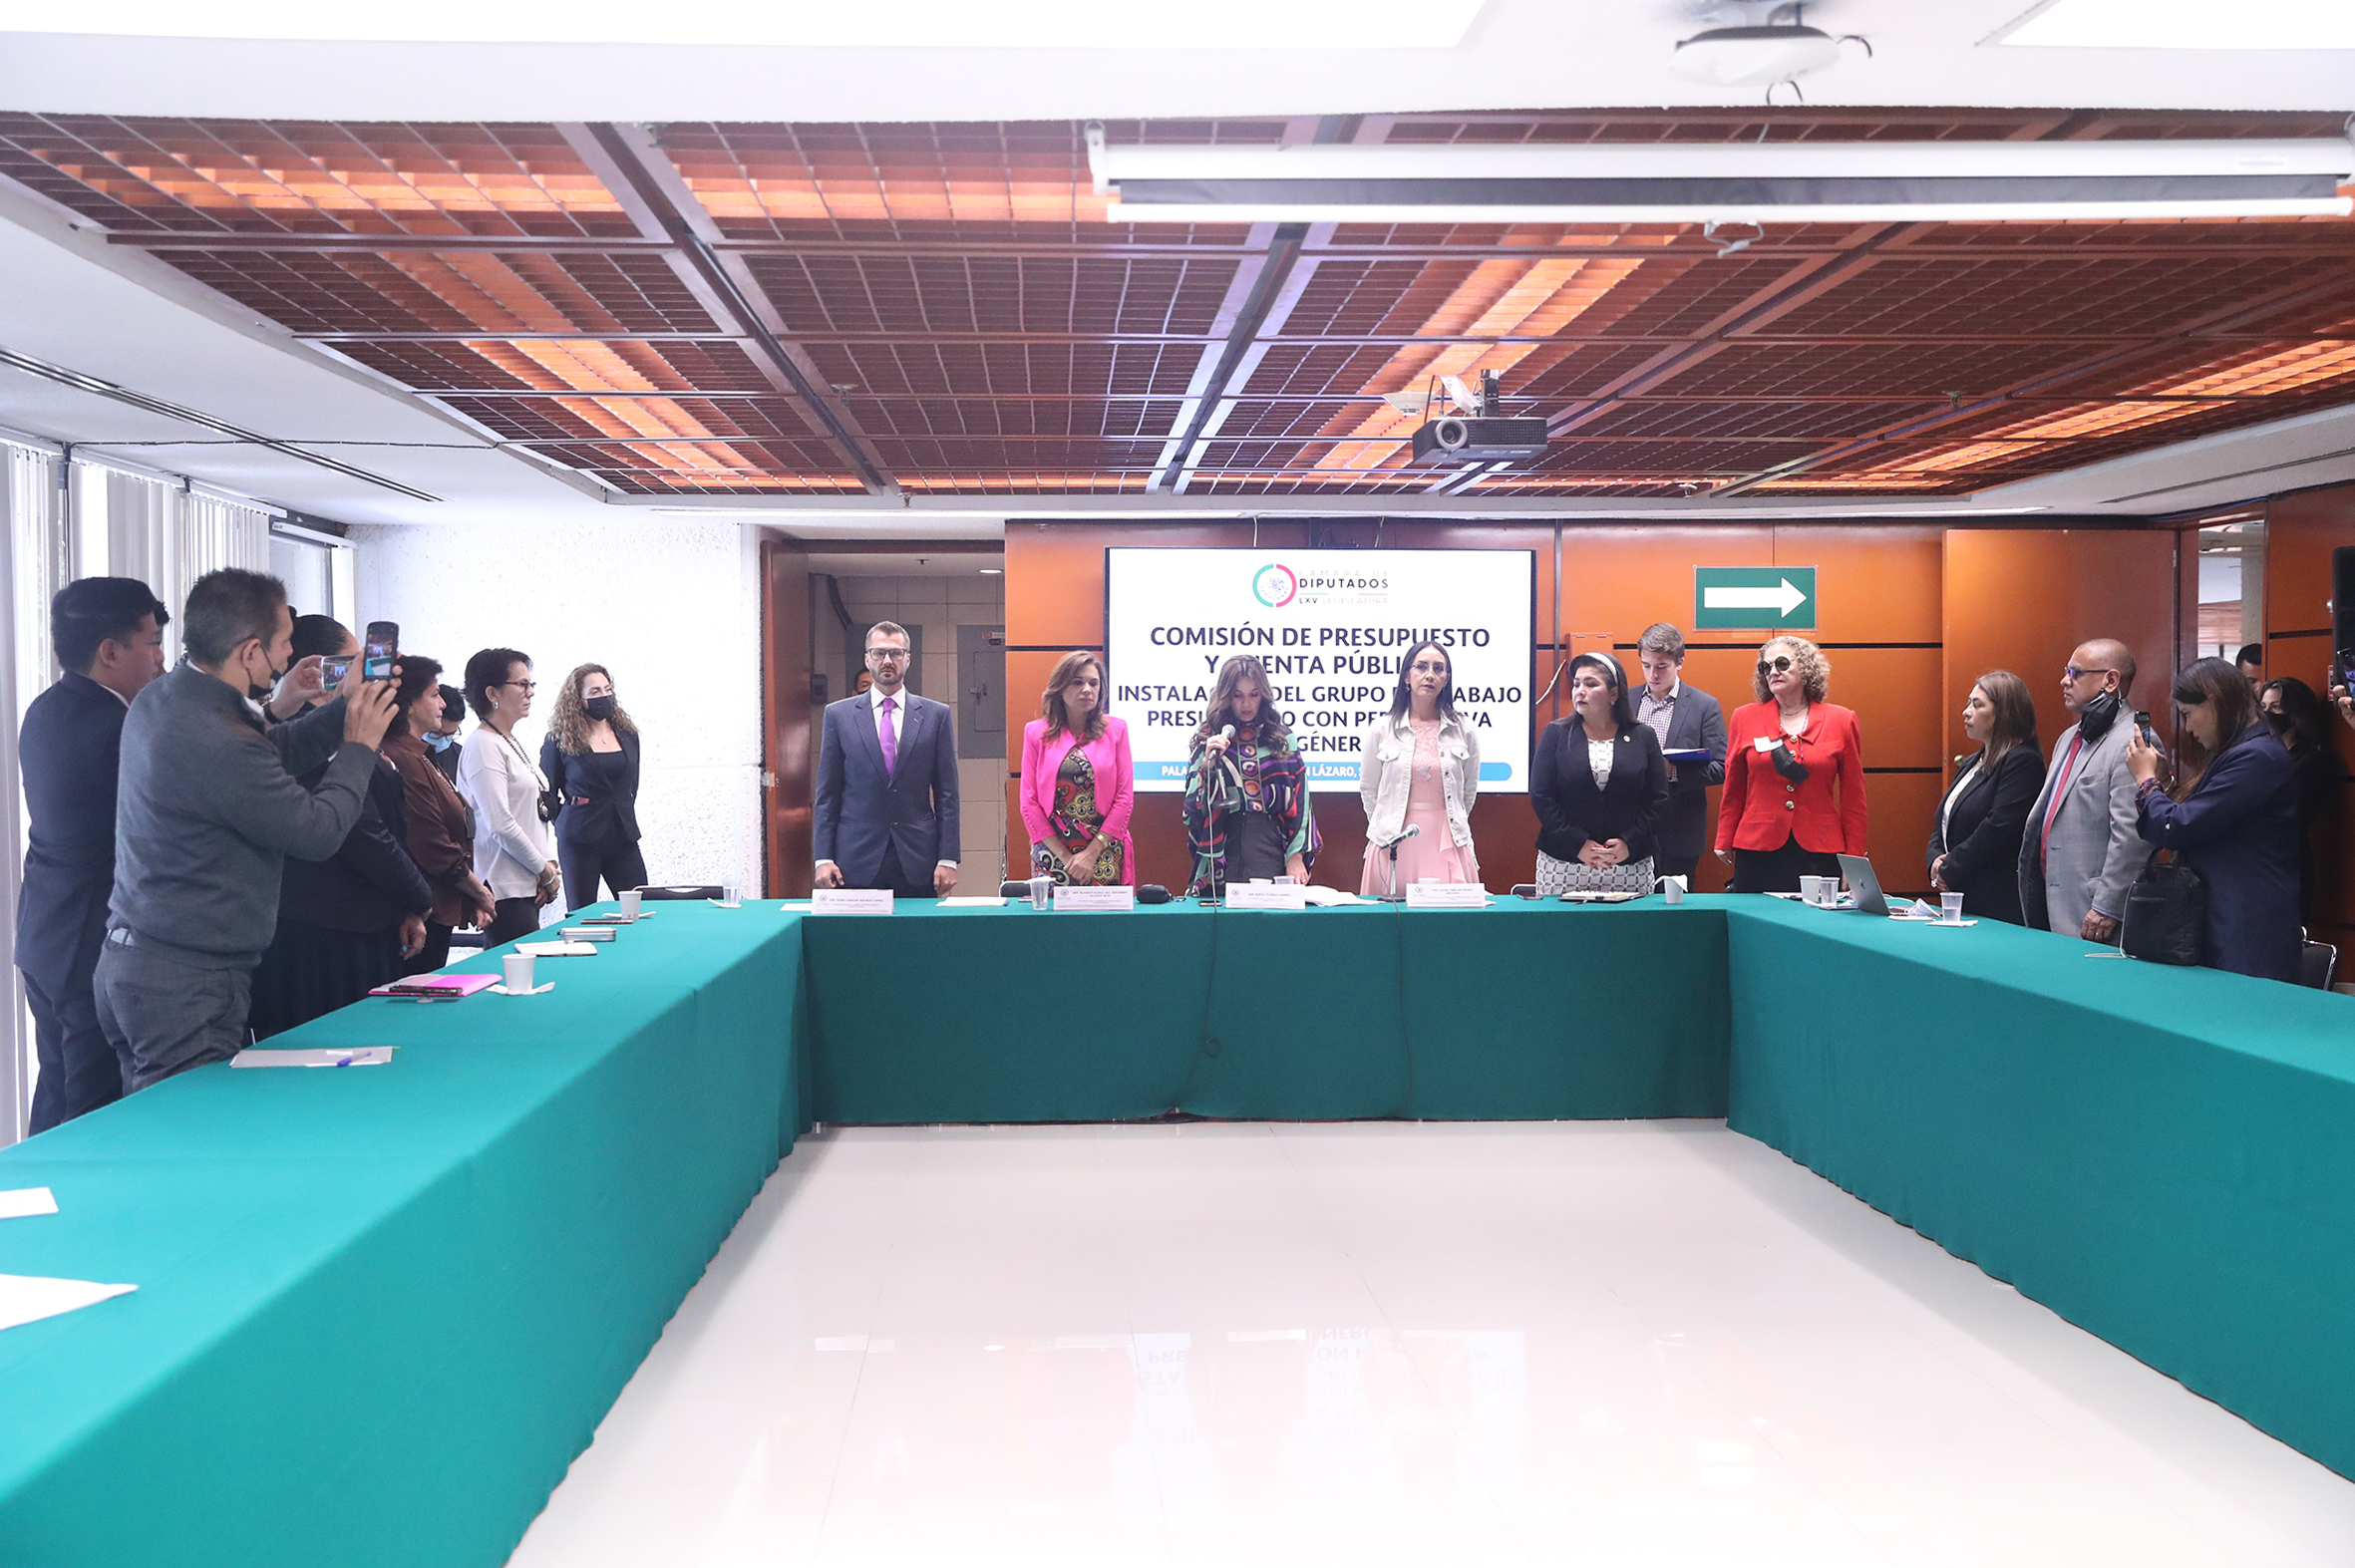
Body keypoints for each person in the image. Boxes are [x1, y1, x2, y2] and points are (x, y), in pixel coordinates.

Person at [97, 568, 398, 1092]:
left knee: (156, 1128)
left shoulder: (167, 697)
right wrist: (359, 745)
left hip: (141, 960)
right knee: (193, 1130)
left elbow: (266, 757)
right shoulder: (218, 738)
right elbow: (317, 831)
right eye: (284, 642)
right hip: (186, 982)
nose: (291, 656)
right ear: (251, 652)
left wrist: (345, 708)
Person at [15, 577, 168, 1132]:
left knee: (57, 1095)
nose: (161, 660)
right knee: (91, 1112)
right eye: (153, 643)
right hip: (91, 943)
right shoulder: (120, 728)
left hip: (45, 933)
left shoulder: (45, 709)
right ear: (110, 652)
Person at [248, 616, 433, 1037]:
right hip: (323, 936)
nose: (363, 673)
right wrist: (419, 896)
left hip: (358, 920)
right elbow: (357, 830)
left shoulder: (328, 724)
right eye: (353, 663)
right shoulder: (303, 734)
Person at [2126, 658, 2301, 982]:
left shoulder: (2256, 756)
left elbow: (2179, 827)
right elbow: (2203, 817)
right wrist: (2163, 783)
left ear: (2213, 701)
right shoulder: (2244, 750)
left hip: (2245, 926)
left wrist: (2146, 782)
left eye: (2188, 714)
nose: (2187, 728)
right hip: (2230, 915)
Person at [2017, 639, 2157, 944]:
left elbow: (2132, 836)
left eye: (2075, 673)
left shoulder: (2134, 741)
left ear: (2110, 680)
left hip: (2094, 912)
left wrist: (2107, 906)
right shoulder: (2069, 737)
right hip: (2050, 901)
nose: (2064, 681)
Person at [813, 622, 960, 897]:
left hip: (918, 859)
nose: (887, 660)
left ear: (908, 659)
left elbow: (947, 794)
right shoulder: (838, 716)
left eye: (896, 653)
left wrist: (948, 858)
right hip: (854, 859)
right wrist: (823, 858)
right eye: (879, 653)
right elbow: (827, 794)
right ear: (867, 659)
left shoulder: (935, 715)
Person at [1715, 636, 1867, 893]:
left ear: (1806, 667)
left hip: (1819, 848)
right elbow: (1733, 786)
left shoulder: (1841, 720)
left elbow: (1854, 798)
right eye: (1765, 667)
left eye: (1782, 663)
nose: (1773, 671)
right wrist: (1724, 837)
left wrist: (1854, 858)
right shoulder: (1744, 717)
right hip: (1757, 847)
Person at [381, 657, 496, 974]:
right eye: (434, 695)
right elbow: (431, 843)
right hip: (420, 911)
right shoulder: (402, 758)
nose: (442, 704)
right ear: (409, 704)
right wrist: (479, 892)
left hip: (439, 905)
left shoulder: (419, 754)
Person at [1531, 653, 1670, 894]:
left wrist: (1629, 842)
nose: (1580, 691)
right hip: (1564, 861)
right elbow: (1541, 796)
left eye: (1591, 684)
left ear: (1614, 694)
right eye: (1576, 684)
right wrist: (1577, 843)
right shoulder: (1556, 733)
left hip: (1628, 863)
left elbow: (1658, 799)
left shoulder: (1642, 736)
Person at [1183, 654, 1317, 894]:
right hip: (1222, 849)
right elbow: (1192, 806)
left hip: (1270, 846)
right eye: (1238, 695)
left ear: (1263, 695)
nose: (1246, 704)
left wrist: (1296, 855)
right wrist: (1207, 765)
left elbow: (1301, 801)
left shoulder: (1282, 738)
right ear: (1226, 695)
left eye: (1253, 695)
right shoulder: (1210, 737)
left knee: (1268, 916)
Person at [1355, 641, 1481, 894]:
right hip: (1393, 841)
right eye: (1421, 667)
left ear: (1446, 679)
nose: (1430, 675)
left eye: (1438, 668)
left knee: (1449, 916)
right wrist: (1386, 823)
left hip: (1447, 839)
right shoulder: (1381, 729)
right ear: (1406, 676)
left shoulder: (1463, 730)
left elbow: (1468, 793)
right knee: (1390, 916)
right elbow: (1369, 789)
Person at [459, 647, 561, 945]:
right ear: (493, 693)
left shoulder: (508, 740)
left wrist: (549, 866)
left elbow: (537, 812)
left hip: (528, 882)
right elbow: (500, 824)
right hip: (505, 887)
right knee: (520, 970)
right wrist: (542, 870)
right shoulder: (482, 745)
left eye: (532, 684)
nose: (531, 692)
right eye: (522, 684)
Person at [1926, 670, 2044, 925]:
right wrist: (1934, 861)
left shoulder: (2022, 761)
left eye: (1977, 705)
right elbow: (1943, 820)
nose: (1966, 712)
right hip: (1963, 893)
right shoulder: (1973, 761)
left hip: (1997, 900)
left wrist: (1950, 867)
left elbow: (1999, 827)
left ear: (2004, 713)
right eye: (1969, 703)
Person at [1018, 651, 1136, 886]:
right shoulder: (1035, 733)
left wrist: (1091, 854)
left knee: (1106, 912)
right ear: (1060, 688)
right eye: (1078, 682)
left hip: (1104, 850)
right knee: (1052, 911)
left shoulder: (1116, 730)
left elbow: (1124, 799)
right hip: (1052, 851)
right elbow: (1028, 802)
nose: (1087, 689)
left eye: (1094, 683)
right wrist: (1065, 858)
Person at [541, 663, 647, 912]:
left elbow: (631, 783)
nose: (604, 696)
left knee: (639, 906)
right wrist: (566, 821)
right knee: (581, 911)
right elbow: (547, 792)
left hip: (623, 833)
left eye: (607, 689)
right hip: (580, 837)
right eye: (595, 692)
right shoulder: (559, 739)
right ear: (578, 699)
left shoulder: (627, 734)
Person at [1632, 623, 1727, 884]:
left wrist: (1672, 771)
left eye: (1661, 666)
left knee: (1673, 903)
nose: (1653, 674)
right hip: (1630, 828)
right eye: (1646, 665)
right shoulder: (1626, 702)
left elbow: (1722, 767)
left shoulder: (1703, 706)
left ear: (1679, 662)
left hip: (1678, 829)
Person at [2259, 676, 2340, 926]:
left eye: (2276, 707)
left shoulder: (2311, 760)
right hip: (2260, 863)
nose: (2268, 715)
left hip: (2288, 862)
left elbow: (2297, 817)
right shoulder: (2263, 755)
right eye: (2263, 707)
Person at [426, 683, 466, 785]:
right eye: (437, 733)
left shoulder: (461, 758)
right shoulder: (400, 750)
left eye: (450, 735)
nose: (443, 741)